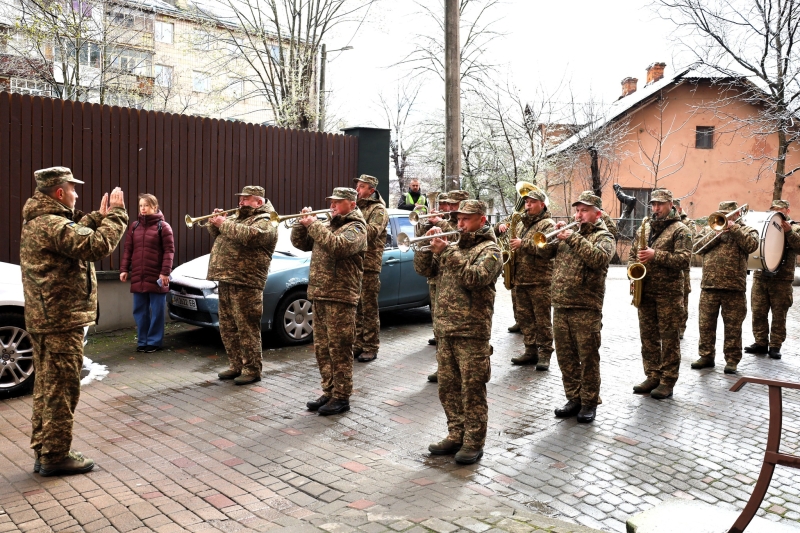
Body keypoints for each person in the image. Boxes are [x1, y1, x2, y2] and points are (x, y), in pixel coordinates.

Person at [20, 166, 128, 476]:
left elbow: (77, 233)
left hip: (48, 319)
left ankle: (46, 449)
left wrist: (97, 217)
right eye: (72, 188)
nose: (76, 193)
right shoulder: (52, 224)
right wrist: (117, 215)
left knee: (47, 387)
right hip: (60, 321)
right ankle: (56, 456)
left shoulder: (42, 221)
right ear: (58, 193)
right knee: (62, 389)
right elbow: (96, 245)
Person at [414, 200, 502, 465]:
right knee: (448, 388)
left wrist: (447, 253)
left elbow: (474, 278)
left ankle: (474, 441)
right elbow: (423, 270)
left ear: (481, 220)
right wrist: (427, 247)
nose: (459, 224)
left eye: (466, 219)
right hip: (445, 330)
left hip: (471, 332)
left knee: (472, 389)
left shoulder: (491, 250)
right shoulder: (451, 246)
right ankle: (455, 433)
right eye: (458, 219)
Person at [292, 187, 367, 416]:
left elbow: (338, 247)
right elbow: (300, 243)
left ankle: (342, 396)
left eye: (338, 202)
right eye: (331, 202)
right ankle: (329, 390)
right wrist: (300, 223)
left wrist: (313, 225)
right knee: (323, 349)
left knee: (340, 348)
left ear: (352, 204)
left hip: (341, 296)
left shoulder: (356, 227)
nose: (332, 205)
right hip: (320, 293)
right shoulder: (326, 224)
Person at [542, 191, 614, 423]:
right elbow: (540, 252)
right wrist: (553, 236)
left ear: (597, 213)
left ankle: (590, 402)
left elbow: (598, 259)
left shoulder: (605, 237)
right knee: (566, 357)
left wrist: (572, 237)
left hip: (586, 307)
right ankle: (573, 398)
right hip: (561, 305)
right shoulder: (569, 235)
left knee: (588, 358)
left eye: (584, 210)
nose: (578, 214)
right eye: (577, 210)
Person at [208, 186, 277, 385]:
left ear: (259, 202)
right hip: (227, 278)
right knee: (228, 326)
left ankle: (252, 369)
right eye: (241, 198)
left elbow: (251, 236)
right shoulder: (238, 217)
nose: (241, 202)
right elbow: (220, 235)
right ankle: (236, 364)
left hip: (247, 281)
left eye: (246, 199)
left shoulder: (267, 219)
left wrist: (224, 223)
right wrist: (215, 222)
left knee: (247, 327)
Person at [627, 189, 691, 400]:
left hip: (669, 294)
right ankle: (652, 375)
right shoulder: (645, 227)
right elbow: (632, 254)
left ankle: (668, 380)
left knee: (669, 338)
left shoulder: (680, 230)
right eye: (653, 204)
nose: (656, 208)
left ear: (671, 204)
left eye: (660, 204)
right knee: (648, 338)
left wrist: (656, 255)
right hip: (645, 291)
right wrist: (632, 272)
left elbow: (683, 260)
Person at [691, 201, 758, 374]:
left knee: (733, 327)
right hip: (709, 286)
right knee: (705, 325)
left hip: (734, 288)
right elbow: (696, 248)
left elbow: (752, 246)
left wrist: (734, 229)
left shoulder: (747, 230)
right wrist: (716, 234)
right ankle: (706, 356)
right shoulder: (710, 229)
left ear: (737, 215)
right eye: (722, 213)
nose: (725, 217)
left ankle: (732, 359)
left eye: (729, 214)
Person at [495, 189, 555, 370]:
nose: (528, 205)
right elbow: (503, 238)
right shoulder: (520, 224)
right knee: (525, 319)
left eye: (532, 202)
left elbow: (549, 250)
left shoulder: (548, 224)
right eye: (527, 202)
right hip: (520, 279)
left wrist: (524, 244)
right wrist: (500, 229)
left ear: (542, 205)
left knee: (542, 321)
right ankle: (530, 350)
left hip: (540, 280)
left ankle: (545, 353)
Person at [416, 190, 469, 383]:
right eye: (447, 204)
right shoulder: (447, 220)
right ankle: (443, 366)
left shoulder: (468, 225)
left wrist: (440, 223)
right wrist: (424, 225)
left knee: (455, 329)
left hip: (456, 282)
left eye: (453, 204)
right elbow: (422, 243)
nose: (448, 208)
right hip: (437, 278)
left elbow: (459, 241)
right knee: (439, 326)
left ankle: (461, 369)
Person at [745, 199, 800, 359]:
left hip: (782, 279)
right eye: (773, 209)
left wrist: (789, 232)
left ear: (787, 211)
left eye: (780, 210)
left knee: (779, 314)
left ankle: (775, 345)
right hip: (761, 276)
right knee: (758, 311)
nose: (776, 212)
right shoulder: (765, 226)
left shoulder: (795, 228)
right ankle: (760, 342)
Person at [120, 194, 175, 353]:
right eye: (141, 206)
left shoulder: (163, 227)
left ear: (155, 207)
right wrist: (124, 269)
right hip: (138, 275)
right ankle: (142, 341)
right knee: (139, 311)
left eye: (146, 205)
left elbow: (169, 251)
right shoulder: (134, 226)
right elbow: (128, 249)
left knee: (157, 311)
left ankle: (154, 341)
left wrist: (165, 272)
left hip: (157, 276)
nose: (143, 209)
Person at [353, 175, 389, 363]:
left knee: (368, 308)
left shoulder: (378, 210)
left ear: (371, 191)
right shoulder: (357, 207)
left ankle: (370, 346)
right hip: (355, 265)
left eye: (362, 187)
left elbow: (371, 232)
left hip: (369, 265)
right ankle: (358, 343)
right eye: (357, 186)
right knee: (357, 308)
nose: (357, 190)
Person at [674, 199, 693, 339]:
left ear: (679, 209)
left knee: (683, 298)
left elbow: (692, 243)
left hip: (683, 269)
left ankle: (681, 327)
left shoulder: (688, 224)